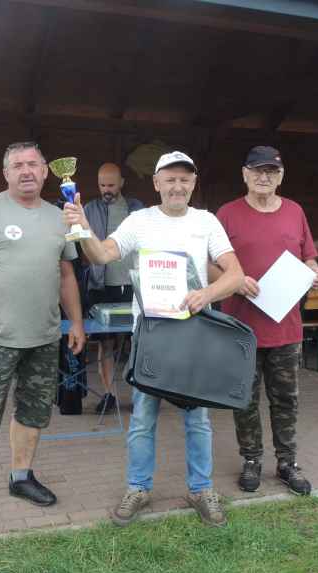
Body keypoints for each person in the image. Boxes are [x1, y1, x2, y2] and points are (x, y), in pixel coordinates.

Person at [63, 150, 244, 527]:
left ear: (193, 184)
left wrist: (206, 294)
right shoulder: (139, 220)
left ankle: (201, 489)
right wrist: (83, 226)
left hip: (194, 336)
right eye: (170, 179)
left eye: (185, 180)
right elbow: (101, 255)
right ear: (157, 183)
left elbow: (235, 274)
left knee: (198, 420)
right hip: (150, 337)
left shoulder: (206, 221)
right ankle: (138, 488)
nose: (178, 186)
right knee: (143, 418)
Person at [0, 142, 86, 535]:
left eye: (33, 164)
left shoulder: (60, 216)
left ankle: (21, 477)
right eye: (17, 165)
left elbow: (66, 276)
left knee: (33, 413)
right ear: (6, 173)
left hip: (43, 338)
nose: (26, 171)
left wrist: (76, 323)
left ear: (45, 171)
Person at [216, 145, 318, 496]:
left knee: (286, 400)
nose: (264, 177)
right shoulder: (227, 214)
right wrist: (235, 280)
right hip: (240, 329)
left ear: (281, 176)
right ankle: (251, 460)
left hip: (285, 328)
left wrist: (314, 272)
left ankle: (287, 463)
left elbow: (308, 258)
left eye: (271, 172)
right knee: (244, 400)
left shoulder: (295, 211)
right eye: (257, 171)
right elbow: (208, 265)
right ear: (244, 174)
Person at [82, 163, 144, 413]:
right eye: (102, 185)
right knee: (106, 344)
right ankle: (109, 394)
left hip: (134, 285)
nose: (106, 190)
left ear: (122, 183)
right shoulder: (89, 209)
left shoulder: (137, 208)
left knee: (138, 341)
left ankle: (140, 394)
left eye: (111, 185)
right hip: (101, 285)